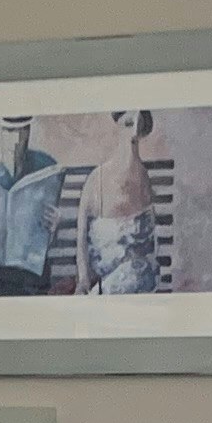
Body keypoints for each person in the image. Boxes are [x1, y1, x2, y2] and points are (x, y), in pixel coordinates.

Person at [0, 117, 65, 296]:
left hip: (27, 261)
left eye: (21, 131)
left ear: (28, 133)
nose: (15, 139)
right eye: (9, 131)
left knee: (28, 275)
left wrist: (55, 226)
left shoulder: (45, 167)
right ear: (1, 133)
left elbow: (46, 241)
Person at [78, 111, 163, 294]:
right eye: (129, 124)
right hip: (103, 285)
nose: (132, 134)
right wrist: (83, 280)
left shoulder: (143, 179)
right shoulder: (96, 180)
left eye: (138, 126)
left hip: (136, 281)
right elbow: (81, 237)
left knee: (137, 271)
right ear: (119, 125)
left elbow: (149, 245)